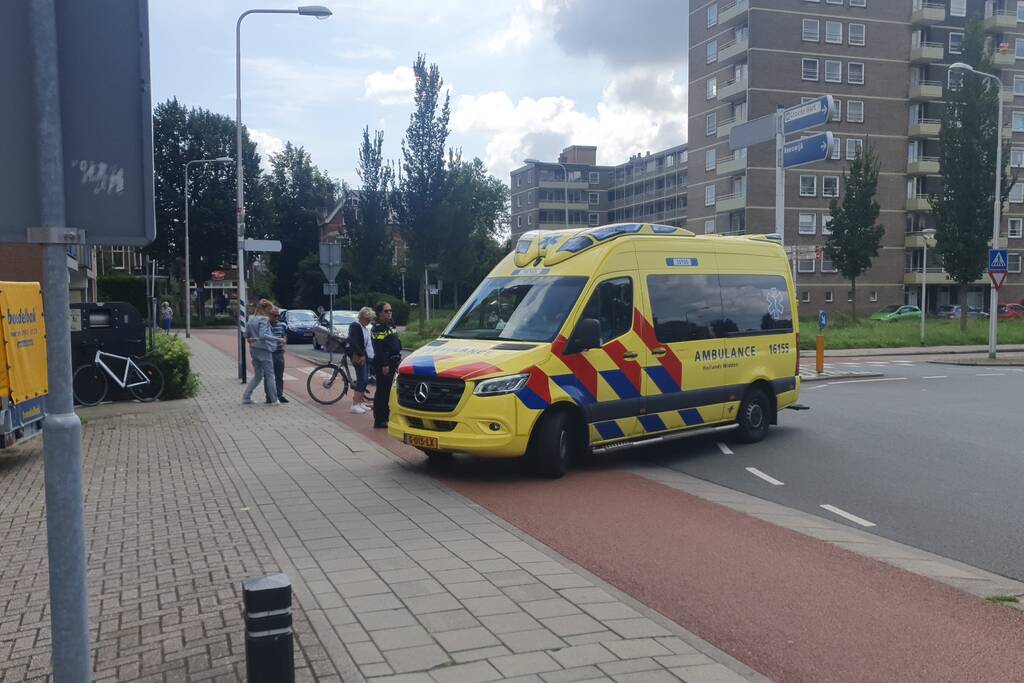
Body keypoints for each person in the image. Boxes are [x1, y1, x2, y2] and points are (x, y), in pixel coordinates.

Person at [242, 299, 285, 405]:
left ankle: (246, 396)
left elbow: (245, 335)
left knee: (258, 375)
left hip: (253, 350)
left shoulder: (251, 318)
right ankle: (274, 399)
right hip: (264, 350)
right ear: (264, 309)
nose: (271, 311)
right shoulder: (264, 319)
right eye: (269, 309)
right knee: (270, 375)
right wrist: (277, 339)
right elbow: (262, 335)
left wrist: (253, 339)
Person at [370, 301, 401, 429]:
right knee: (382, 392)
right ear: (379, 313)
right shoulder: (378, 327)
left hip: (393, 361)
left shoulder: (390, 324)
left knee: (389, 391)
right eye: (386, 311)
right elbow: (379, 348)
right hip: (385, 363)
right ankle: (379, 419)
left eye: (390, 310)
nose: (389, 313)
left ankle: (386, 417)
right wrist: (384, 364)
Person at [347, 307, 375, 414]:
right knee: (362, 379)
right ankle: (355, 404)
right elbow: (354, 342)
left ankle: (360, 402)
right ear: (362, 317)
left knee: (364, 379)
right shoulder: (355, 326)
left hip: (365, 356)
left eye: (370, 319)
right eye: (367, 319)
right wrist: (362, 354)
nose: (368, 321)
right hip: (359, 356)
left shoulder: (364, 327)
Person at [264, 306, 289, 404]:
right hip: (269, 353)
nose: (277, 317)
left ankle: (279, 395)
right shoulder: (265, 326)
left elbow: (285, 337)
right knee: (268, 376)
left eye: (278, 315)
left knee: (279, 375)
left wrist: (284, 343)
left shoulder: (282, 325)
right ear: (269, 315)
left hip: (279, 353)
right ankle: (269, 396)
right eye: (275, 315)